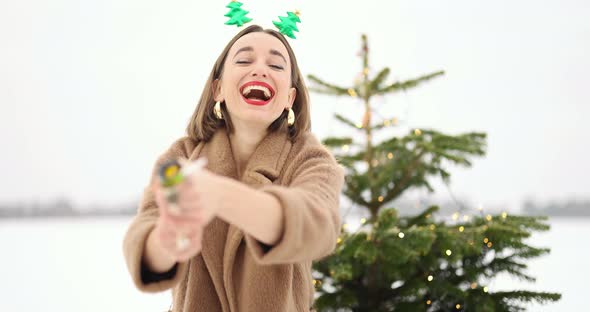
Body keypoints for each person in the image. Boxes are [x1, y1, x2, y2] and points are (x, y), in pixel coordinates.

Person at [122, 24, 344, 312]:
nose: (260, 70)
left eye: (276, 64)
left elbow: (319, 225)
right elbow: (142, 235)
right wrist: (166, 239)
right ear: (218, 89)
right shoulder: (181, 157)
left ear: (289, 99)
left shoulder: (311, 160)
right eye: (243, 60)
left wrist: (221, 196)